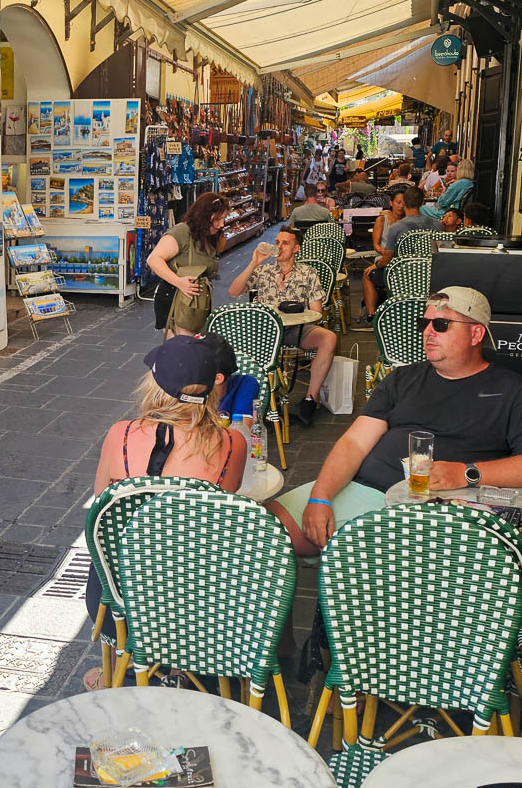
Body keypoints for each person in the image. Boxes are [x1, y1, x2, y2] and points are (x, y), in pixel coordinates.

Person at [265, 287, 522, 554]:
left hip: (437, 510)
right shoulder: (403, 378)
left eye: (441, 325)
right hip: (365, 489)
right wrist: (320, 496)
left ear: (476, 334)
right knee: (260, 528)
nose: (428, 332)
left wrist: (465, 473)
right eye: (425, 324)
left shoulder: (511, 389)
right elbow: (354, 442)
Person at [83, 336, 247, 686]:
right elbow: (221, 512)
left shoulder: (120, 435)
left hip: (122, 594)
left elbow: (102, 508)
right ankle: (179, 669)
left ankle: (117, 666)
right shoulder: (233, 443)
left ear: (154, 385)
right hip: (199, 596)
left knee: (110, 553)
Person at [228, 227, 337, 427]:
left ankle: (310, 399)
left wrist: (295, 315)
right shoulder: (263, 271)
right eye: (277, 242)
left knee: (329, 338)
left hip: (295, 330)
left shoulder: (308, 273)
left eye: (285, 243)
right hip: (264, 332)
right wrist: (254, 262)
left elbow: (317, 312)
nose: (279, 247)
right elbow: (234, 291)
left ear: (297, 248)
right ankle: (256, 397)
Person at [146, 192, 229, 336]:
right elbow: (153, 260)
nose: (221, 224)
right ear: (204, 215)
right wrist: (179, 282)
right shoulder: (182, 231)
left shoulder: (206, 236)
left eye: (224, 219)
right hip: (176, 301)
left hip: (195, 304)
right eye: (218, 219)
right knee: (182, 352)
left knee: (192, 351)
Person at [361, 185, 439, 319]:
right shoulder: (437, 225)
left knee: (368, 274)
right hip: (430, 275)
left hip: (401, 276)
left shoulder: (396, 228)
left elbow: (387, 258)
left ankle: (372, 315)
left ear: (404, 204)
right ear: (422, 203)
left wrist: (377, 265)